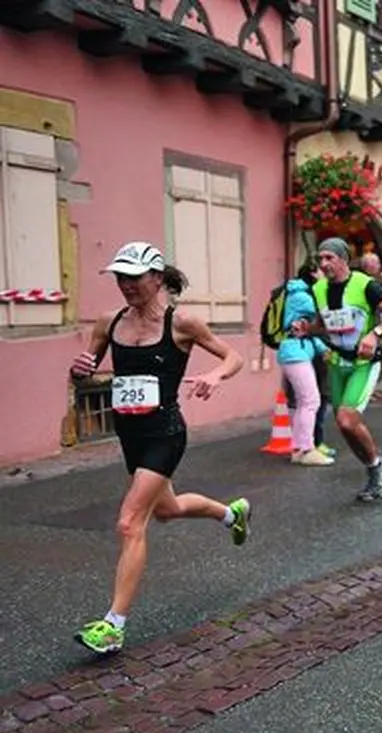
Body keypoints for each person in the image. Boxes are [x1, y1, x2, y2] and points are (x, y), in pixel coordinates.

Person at [68, 242, 251, 654]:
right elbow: (85, 370)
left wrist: (216, 376)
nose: (125, 285)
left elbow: (233, 356)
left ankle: (113, 625)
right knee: (167, 510)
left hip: (165, 433)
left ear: (155, 277)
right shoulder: (108, 322)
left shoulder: (182, 323)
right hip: (129, 435)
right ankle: (231, 514)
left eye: (133, 276)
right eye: (120, 276)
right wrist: (79, 370)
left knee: (130, 521)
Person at [303, 238, 382, 501]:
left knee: (347, 418)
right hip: (338, 362)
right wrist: (308, 328)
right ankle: (374, 467)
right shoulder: (318, 289)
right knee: (345, 425)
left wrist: (375, 334)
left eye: (329, 258)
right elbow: (324, 323)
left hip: (363, 363)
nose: (324, 264)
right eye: (321, 259)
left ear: (344, 259)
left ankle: (377, 468)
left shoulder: (365, 285)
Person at [278, 271, 334, 466]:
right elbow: (325, 312)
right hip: (295, 354)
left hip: (295, 352)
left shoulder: (295, 296)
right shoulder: (302, 297)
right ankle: (306, 449)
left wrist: (322, 347)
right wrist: (324, 285)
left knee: (305, 402)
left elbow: (308, 332)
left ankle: (300, 449)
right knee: (310, 401)